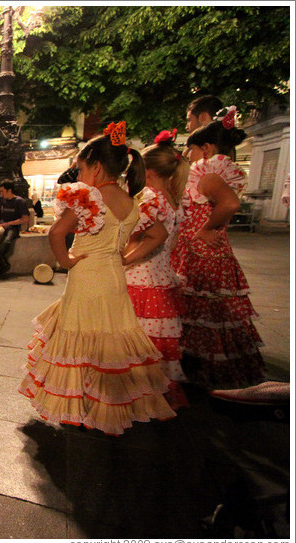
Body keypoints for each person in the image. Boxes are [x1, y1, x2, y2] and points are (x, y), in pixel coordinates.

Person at [18, 123, 175, 435]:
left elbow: (56, 232)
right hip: (115, 278)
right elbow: (158, 234)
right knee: (111, 340)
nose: (78, 176)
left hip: (86, 276)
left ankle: (79, 406)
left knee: (79, 338)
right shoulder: (134, 202)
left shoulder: (89, 198)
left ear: (97, 167)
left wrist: (66, 261)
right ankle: (108, 406)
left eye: (81, 169)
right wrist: (126, 258)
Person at [171, 110, 265, 389]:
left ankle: (208, 371)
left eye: (192, 147)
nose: (188, 153)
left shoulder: (209, 175)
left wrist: (206, 228)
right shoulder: (216, 172)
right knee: (212, 314)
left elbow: (230, 205)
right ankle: (209, 368)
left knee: (206, 312)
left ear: (207, 149)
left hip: (203, 255)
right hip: (207, 253)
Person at [122, 129, 189, 410]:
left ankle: (137, 394)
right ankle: (159, 391)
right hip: (162, 276)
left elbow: (154, 237)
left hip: (141, 277)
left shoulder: (149, 197)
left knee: (137, 339)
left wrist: (126, 259)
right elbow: (168, 240)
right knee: (156, 339)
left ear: (147, 171)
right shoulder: (173, 200)